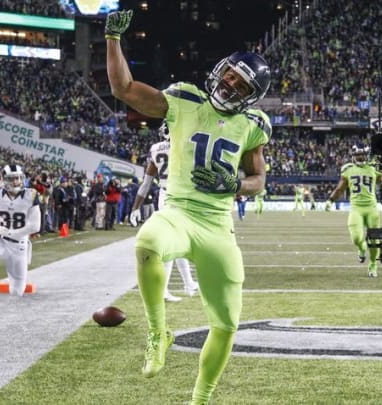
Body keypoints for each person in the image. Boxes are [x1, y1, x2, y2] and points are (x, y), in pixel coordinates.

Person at [106, 10, 271, 404]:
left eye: (240, 83)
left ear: (252, 95)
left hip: (216, 225)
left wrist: (235, 184)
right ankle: (157, 331)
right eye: (229, 74)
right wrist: (113, 39)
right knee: (147, 244)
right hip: (178, 211)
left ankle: (200, 398)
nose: (229, 83)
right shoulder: (184, 98)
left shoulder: (253, 124)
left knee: (227, 324)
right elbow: (125, 89)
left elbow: (260, 181)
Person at [129, 122, 199, 303]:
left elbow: (146, 183)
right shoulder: (185, 147)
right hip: (179, 197)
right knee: (173, 243)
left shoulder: (155, 149)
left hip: (164, 195)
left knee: (180, 241)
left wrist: (136, 207)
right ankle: (163, 290)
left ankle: (188, 282)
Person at [0, 164, 41, 299]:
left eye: (18, 178)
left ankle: (14, 284)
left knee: (16, 292)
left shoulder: (31, 195)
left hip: (19, 246)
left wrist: (10, 233)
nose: (15, 182)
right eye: (11, 179)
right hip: (1, 243)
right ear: (4, 179)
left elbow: (35, 226)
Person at [325, 145, 382, 278]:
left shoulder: (374, 168)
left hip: (372, 208)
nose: (360, 157)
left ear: (367, 155)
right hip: (356, 208)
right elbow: (340, 189)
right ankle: (362, 249)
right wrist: (330, 200)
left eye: (362, 155)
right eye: (357, 155)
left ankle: (373, 264)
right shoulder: (348, 170)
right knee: (356, 238)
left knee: (374, 241)